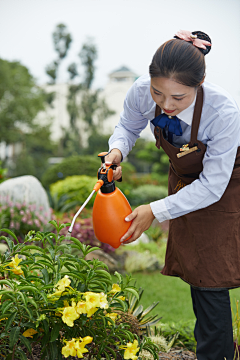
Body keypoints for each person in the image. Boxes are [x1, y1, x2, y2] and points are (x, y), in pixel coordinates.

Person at [105, 30, 240, 360]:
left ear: (201, 82)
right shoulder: (140, 91)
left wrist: (155, 209)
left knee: (211, 272)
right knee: (197, 267)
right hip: (183, 178)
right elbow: (127, 127)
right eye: (158, 93)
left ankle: (218, 354)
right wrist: (116, 153)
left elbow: (212, 185)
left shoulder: (223, 113)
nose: (165, 105)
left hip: (225, 182)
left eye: (178, 98)